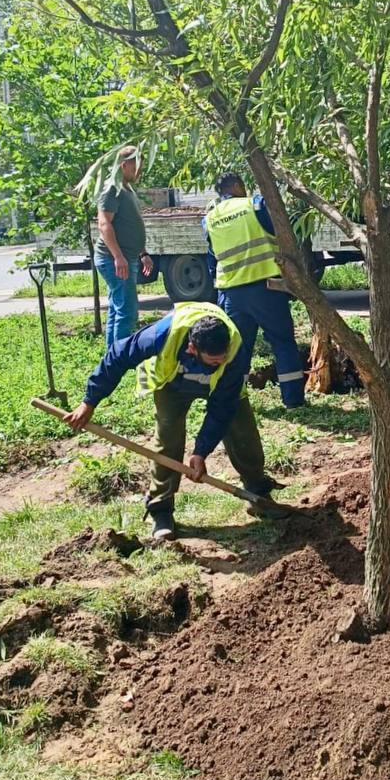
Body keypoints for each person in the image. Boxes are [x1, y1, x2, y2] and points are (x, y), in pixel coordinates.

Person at [63, 302, 279, 541]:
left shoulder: (234, 351)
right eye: (213, 361)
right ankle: (161, 511)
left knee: (242, 430)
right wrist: (89, 402)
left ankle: (257, 493)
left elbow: (222, 408)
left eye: (222, 357)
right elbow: (118, 356)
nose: (221, 361)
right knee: (168, 436)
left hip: (221, 387)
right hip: (172, 382)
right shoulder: (161, 335)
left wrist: (201, 452)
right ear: (192, 348)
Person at [203, 173, 306, 409]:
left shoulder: (210, 219)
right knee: (282, 342)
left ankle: (235, 399)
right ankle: (293, 401)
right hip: (266, 288)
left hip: (231, 294)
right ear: (238, 186)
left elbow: (212, 259)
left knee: (238, 349)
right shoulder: (256, 205)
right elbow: (282, 235)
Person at [94, 145, 154, 348]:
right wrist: (118, 256)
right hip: (114, 260)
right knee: (127, 311)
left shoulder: (127, 189)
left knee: (117, 309)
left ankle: (112, 357)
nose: (140, 171)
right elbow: (104, 224)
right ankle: (120, 358)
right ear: (124, 165)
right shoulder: (113, 189)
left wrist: (143, 252)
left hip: (127, 257)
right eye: (137, 165)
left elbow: (129, 223)